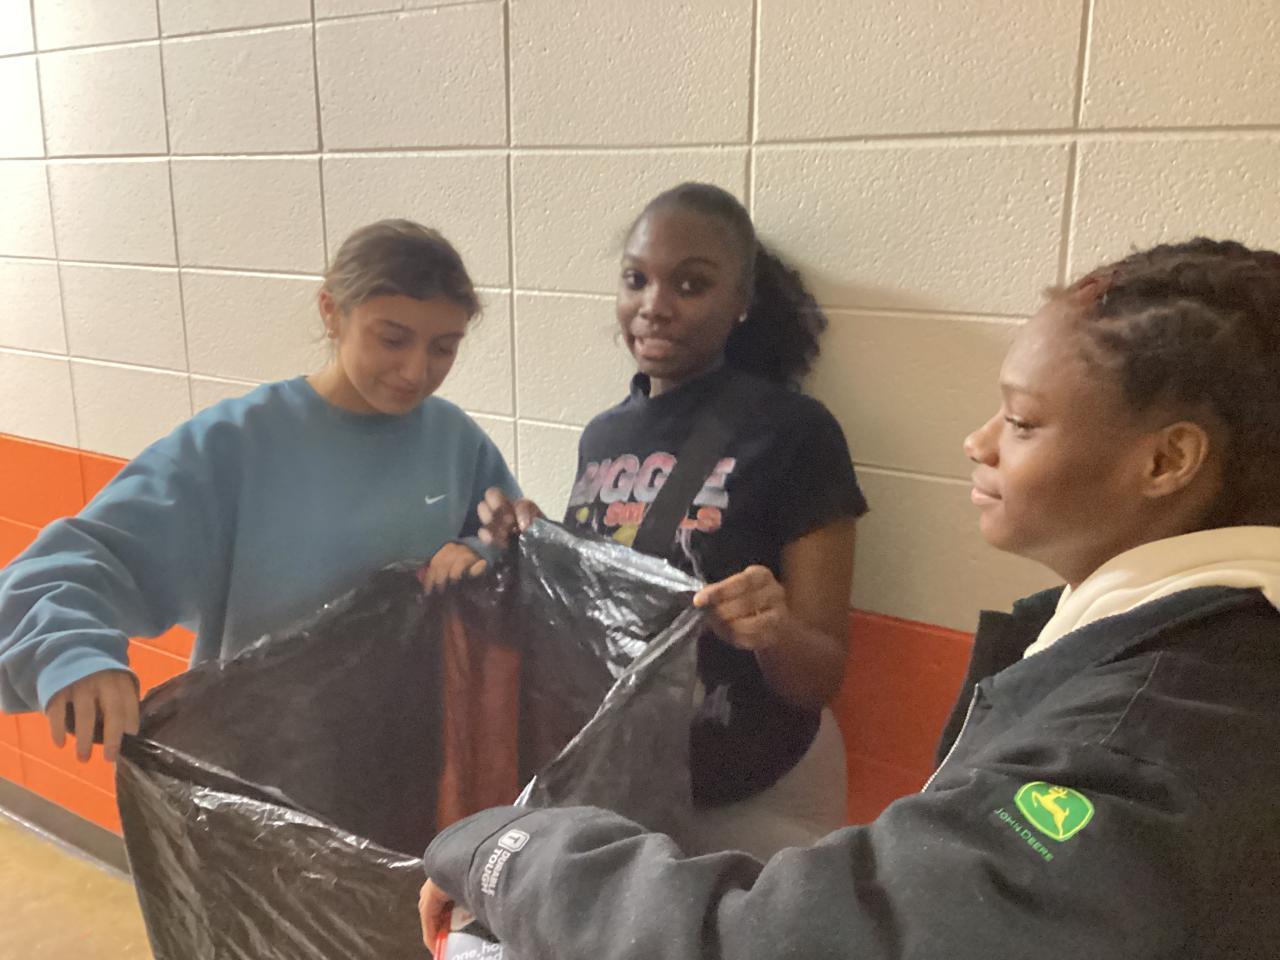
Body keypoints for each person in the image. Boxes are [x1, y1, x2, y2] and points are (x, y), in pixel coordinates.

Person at [419, 238, 1280, 959]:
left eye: (1021, 422)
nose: (977, 441)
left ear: (1166, 462)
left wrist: (507, 851)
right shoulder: (608, 433)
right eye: (635, 278)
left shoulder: (1140, 742)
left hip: (741, 784)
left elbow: (793, 936)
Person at [432, 182, 867, 859]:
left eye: (691, 285)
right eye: (636, 279)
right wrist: (534, 548)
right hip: (626, 783)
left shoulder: (794, 432)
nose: (654, 306)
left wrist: (772, 629)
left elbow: (819, 680)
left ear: (741, 301)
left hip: (755, 787)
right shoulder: (603, 437)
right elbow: (595, 627)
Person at [0, 219, 518, 764]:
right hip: (263, 769)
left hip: (412, 757)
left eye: (443, 348)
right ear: (332, 312)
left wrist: (482, 553)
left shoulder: (454, 440)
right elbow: (57, 571)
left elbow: (510, 556)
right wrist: (74, 653)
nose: (415, 371)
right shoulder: (233, 445)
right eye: (392, 339)